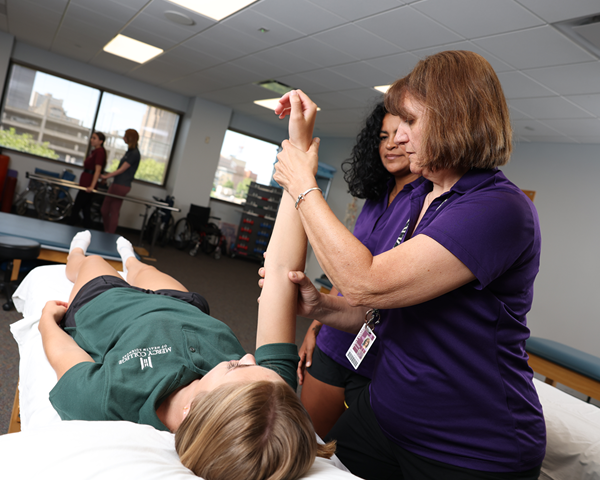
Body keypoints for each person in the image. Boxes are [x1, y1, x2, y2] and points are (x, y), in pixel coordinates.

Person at [273, 51, 545, 479]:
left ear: (454, 120)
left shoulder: (498, 208)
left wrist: (303, 184)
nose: (398, 138)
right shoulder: (421, 197)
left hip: (468, 446)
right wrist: (323, 308)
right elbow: (380, 310)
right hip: (386, 414)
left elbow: (366, 282)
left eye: (411, 123)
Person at [38, 99, 336, 480]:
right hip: (183, 308)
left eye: (233, 366)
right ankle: (132, 259)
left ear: (193, 410)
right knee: (145, 267)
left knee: (92, 265)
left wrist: (48, 320)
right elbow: (280, 274)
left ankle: (76, 251)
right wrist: (298, 152)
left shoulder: (110, 400)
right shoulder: (267, 396)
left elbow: (64, 355)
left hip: (110, 309)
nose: (249, 357)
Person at [296, 102, 420, 438]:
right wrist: (318, 324)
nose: (391, 143)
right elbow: (347, 272)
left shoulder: (428, 203)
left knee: (351, 459)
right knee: (306, 442)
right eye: (383, 136)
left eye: (400, 134)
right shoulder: (377, 196)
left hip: (380, 356)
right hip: (336, 340)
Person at [100, 128, 141, 233]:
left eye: (125, 136)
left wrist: (106, 176)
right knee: (104, 210)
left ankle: (109, 234)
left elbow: (122, 169)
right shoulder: (130, 151)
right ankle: (107, 232)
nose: (123, 138)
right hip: (117, 183)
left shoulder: (134, 153)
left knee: (114, 211)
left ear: (130, 138)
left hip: (122, 185)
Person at [67, 131, 107, 228]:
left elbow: (97, 170)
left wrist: (92, 186)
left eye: (94, 138)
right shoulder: (94, 152)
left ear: (101, 141)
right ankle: (87, 224)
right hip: (86, 180)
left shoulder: (100, 152)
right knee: (86, 207)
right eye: (91, 137)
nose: (91, 140)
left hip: (89, 183)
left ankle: (74, 221)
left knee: (78, 205)